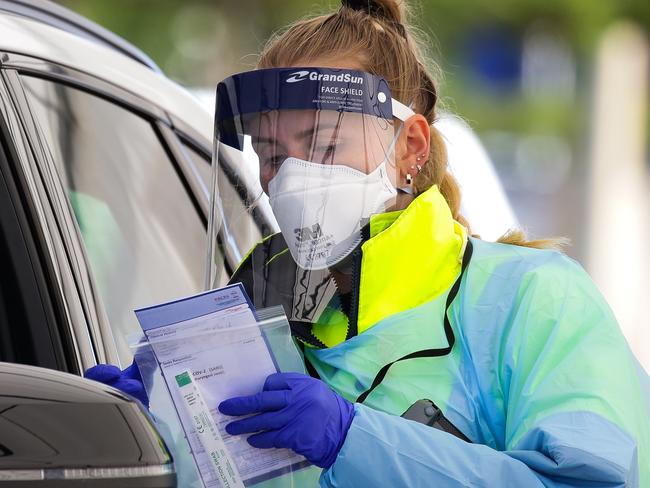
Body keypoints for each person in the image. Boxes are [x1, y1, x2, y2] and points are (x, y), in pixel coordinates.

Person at [86, 0, 650, 486]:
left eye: (325, 144)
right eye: (272, 154)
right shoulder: (256, 308)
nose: (291, 178)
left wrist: (354, 441)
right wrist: (162, 435)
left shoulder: (533, 300)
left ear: (410, 147)